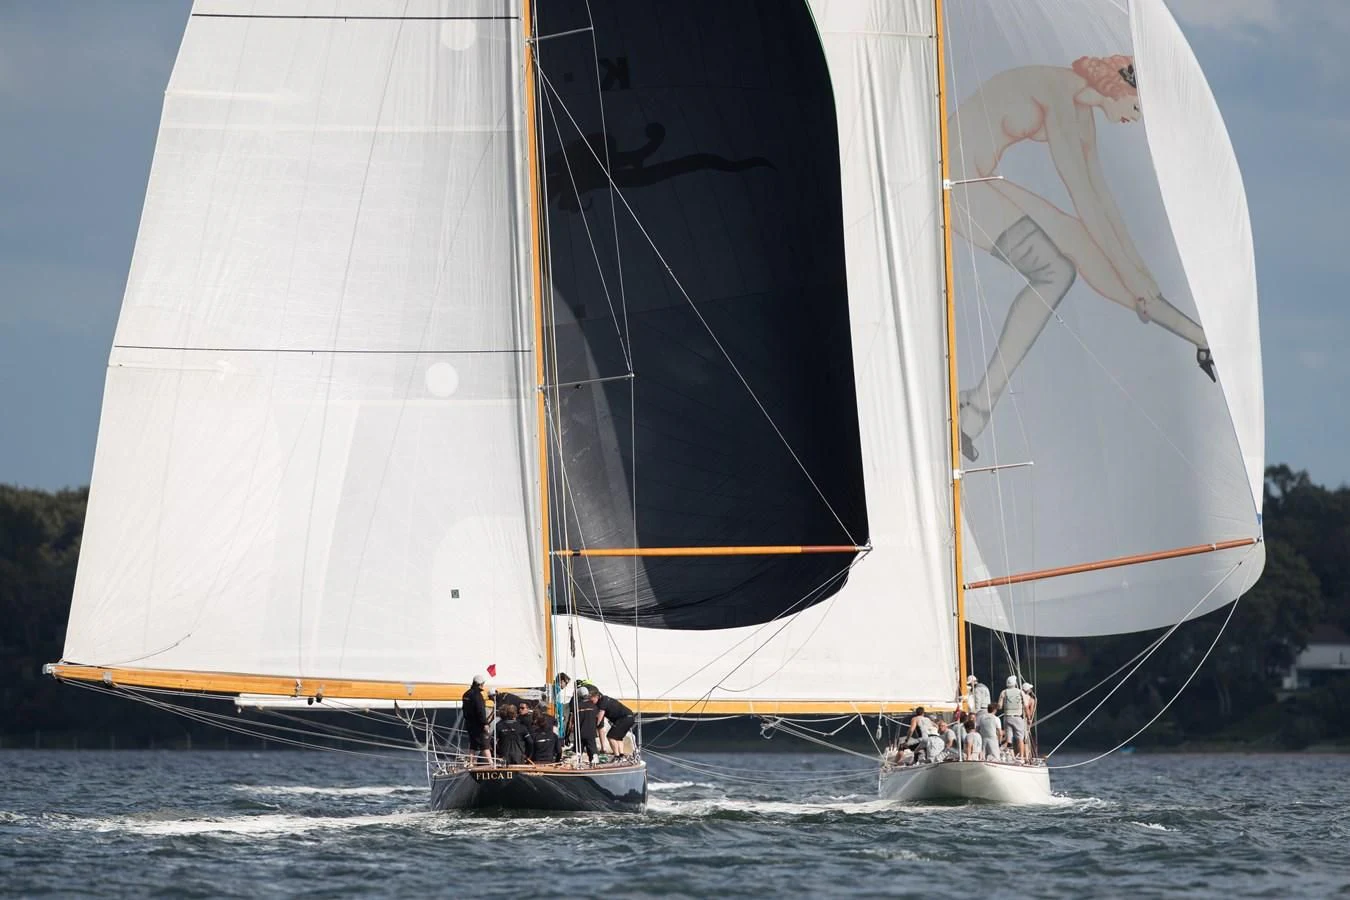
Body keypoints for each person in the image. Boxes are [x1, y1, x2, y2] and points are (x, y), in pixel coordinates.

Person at [949, 56, 1216, 462]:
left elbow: (1105, 205)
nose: (1135, 119)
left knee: (1076, 243)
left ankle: (1197, 336)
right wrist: (1136, 280)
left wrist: (1141, 277)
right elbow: (1083, 197)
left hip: (973, 175)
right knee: (1056, 271)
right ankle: (977, 408)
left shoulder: (1080, 112)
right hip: (953, 175)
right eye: (1137, 106)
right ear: (1117, 88)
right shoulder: (1059, 94)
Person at [592, 687, 637, 758]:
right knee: (618, 738)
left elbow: (600, 717)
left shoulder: (602, 702)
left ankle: (617, 756)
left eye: (592, 699)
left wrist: (595, 725)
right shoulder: (605, 699)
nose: (591, 701)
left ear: (597, 696)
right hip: (630, 717)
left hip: (623, 718)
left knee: (611, 737)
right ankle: (621, 755)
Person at [461, 674, 491, 765]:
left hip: (469, 723)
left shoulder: (466, 694)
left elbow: (464, 709)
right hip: (478, 724)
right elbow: (480, 711)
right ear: (480, 684)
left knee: (473, 744)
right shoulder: (477, 695)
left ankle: (471, 762)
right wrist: (485, 723)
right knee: (484, 744)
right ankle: (491, 763)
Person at [998, 676, 1029, 761]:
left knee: (1009, 739)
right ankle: (1021, 757)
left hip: (1007, 717)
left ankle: (1012, 757)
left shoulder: (1004, 692)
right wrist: (1029, 718)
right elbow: (1026, 706)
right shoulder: (1020, 692)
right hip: (1017, 717)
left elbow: (999, 706)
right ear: (1015, 683)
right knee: (1020, 738)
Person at [573, 686, 599, 763]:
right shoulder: (594, 706)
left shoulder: (577, 707)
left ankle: (578, 763)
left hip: (580, 732)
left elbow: (573, 721)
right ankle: (594, 763)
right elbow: (597, 719)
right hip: (591, 732)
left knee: (578, 751)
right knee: (592, 751)